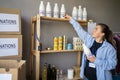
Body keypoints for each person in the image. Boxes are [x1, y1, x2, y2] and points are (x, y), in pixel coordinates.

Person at [65, 15, 117, 80]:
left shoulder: (109, 48)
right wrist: (71, 19)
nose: (93, 30)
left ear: (102, 34)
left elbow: (112, 65)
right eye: (94, 28)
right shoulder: (89, 40)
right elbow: (79, 30)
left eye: (96, 29)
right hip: (86, 77)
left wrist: (96, 60)